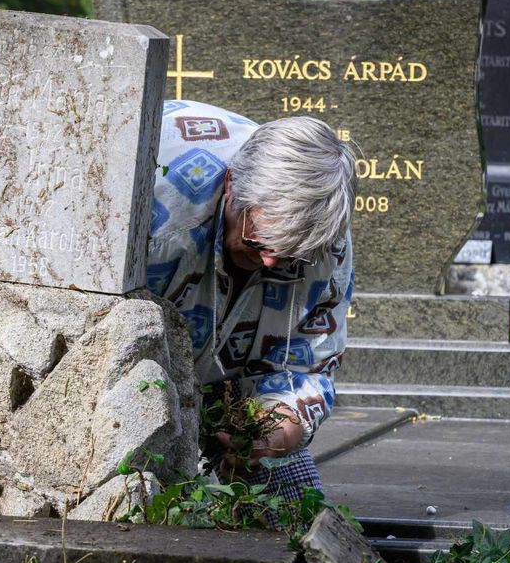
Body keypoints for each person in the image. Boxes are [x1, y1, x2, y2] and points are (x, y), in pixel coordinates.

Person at [147, 100, 355, 500]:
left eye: (290, 255)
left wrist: (283, 425)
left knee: (295, 509)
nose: (271, 261)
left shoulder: (322, 240)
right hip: (134, 384)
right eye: (258, 241)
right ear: (231, 188)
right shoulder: (156, 207)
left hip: (234, 395)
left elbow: (312, 362)